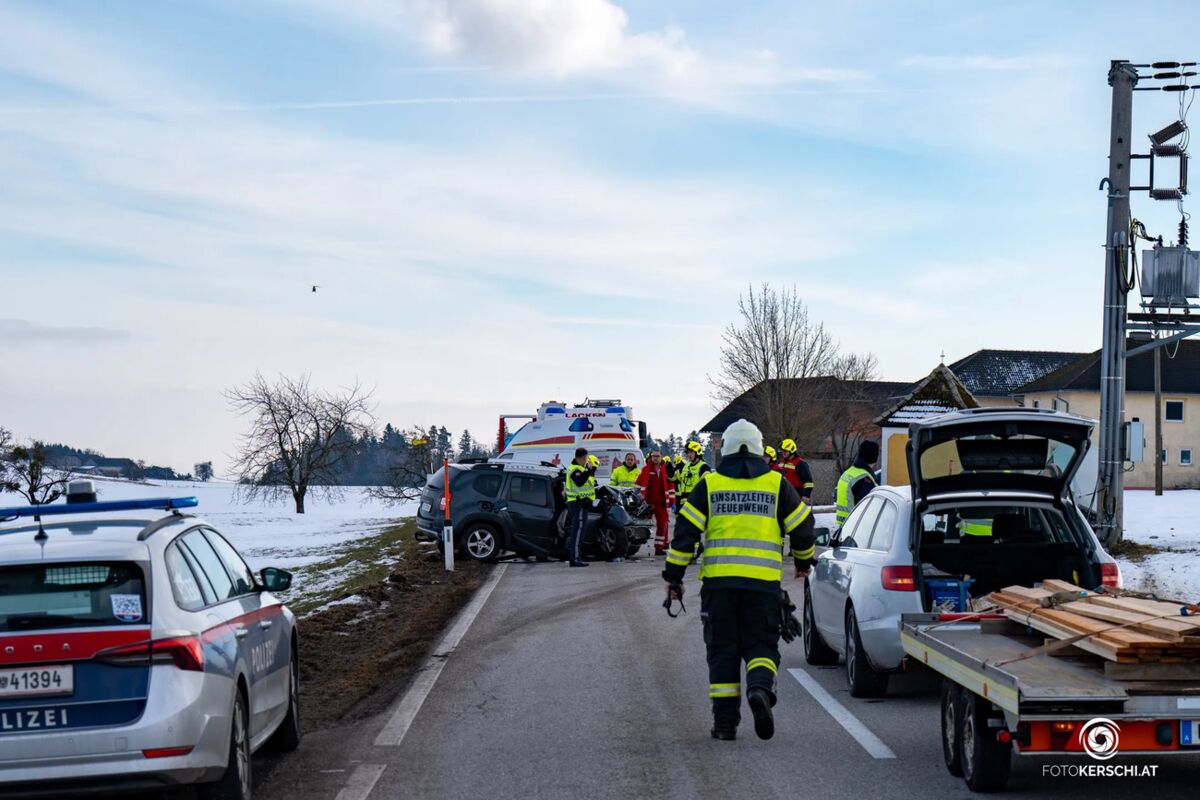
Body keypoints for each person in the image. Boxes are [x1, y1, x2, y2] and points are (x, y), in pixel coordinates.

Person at [663, 419, 815, 741]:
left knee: (722, 652)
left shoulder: (710, 484)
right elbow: (803, 527)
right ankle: (759, 689)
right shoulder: (776, 484)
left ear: (727, 449)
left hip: (719, 587)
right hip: (763, 586)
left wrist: (674, 578)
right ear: (759, 449)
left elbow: (685, 535)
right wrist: (802, 562)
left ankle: (724, 725)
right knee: (761, 645)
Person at [564, 448, 598, 567]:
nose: (586, 460)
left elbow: (588, 485)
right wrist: (588, 470)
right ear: (581, 458)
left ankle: (577, 556)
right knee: (577, 531)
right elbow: (579, 482)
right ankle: (574, 558)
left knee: (581, 531)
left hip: (583, 503)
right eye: (585, 458)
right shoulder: (574, 469)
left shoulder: (581, 468)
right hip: (577, 503)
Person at [835, 440, 880, 528]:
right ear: (874, 457)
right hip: (857, 527)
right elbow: (869, 509)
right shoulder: (863, 479)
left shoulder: (848, 473)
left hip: (845, 526)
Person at [636, 450, 672, 555]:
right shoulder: (646, 469)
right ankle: (634, 545)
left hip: (661, 504)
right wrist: (638, 499)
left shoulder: (666, 470)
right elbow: (638, 485)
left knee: (663, 525)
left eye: (657, 456)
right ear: (651, 457)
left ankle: (659, 548)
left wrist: (672, 502)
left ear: (661, 457)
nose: (655, 458)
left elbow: (671, 485)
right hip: (648, 504)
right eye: (653, 456)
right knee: (641, 524)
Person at [673, 441, 710, 516]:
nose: (688, 455)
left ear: (697, 452)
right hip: (683, 503)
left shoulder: (704, 467)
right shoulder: (686, 466)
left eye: (691, 452)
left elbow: (707, 486)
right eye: (687, 452)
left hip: (696, 504)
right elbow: (679, 479)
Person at [778, 438, 815, 505]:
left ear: (792, 451)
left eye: (785, 451)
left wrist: (806, 495)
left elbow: (809, 482)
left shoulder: (800, 464)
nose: (783, 453)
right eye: (782, 451)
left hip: (796, 495)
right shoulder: (781, 462)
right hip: (782, 495)